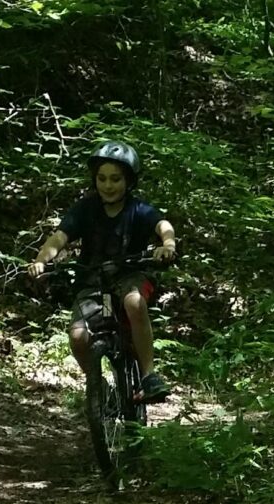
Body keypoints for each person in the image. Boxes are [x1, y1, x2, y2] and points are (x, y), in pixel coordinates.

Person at [26, 141, 177, 402]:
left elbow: (163, 225)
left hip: (130, 275)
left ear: (128, 181)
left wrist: (168, 244)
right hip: (94, 282)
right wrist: (41, 260)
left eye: (116, 179)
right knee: (78, 336)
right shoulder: (86, 209)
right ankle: (98, 386)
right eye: (102, 178)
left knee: (133, 302)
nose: (108, 185)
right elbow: (60, 237)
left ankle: (149, 375)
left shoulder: (138, 209)